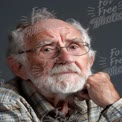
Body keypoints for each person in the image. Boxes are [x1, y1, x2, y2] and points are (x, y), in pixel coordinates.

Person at [0, 7, 122, 122]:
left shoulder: (99, 96)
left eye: (74, 46)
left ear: (90, 60)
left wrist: (113, 104)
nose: (67, 58)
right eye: (47, 49)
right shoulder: (6, 102)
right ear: (18, 67)